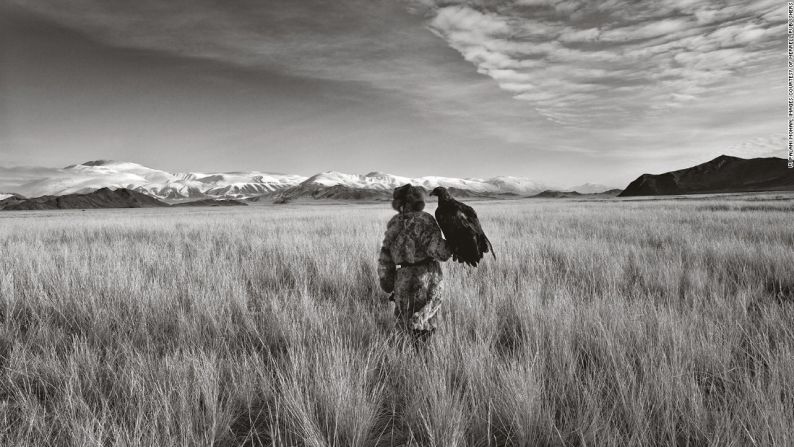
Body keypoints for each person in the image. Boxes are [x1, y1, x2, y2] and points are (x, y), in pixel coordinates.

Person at [377, 184, 452, 342]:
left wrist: (389, 284)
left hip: (402, 281)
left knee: (404, 328)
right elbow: (439, 252)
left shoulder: (394, 223)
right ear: (419, 200)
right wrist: (454, 245)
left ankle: (406, 361)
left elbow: (385, 259)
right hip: (425, 279)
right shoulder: (425, 219)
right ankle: (424, 362)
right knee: (425, 327)